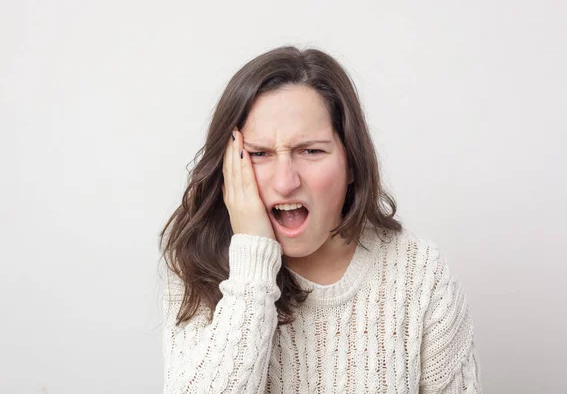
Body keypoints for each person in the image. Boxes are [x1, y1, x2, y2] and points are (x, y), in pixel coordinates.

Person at [159, 46, 482, 393]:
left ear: (352, 164)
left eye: (311, 151)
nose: (286, 182)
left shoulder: (419, 272)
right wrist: (252, 263)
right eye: (258, 154)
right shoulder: (196, 262)